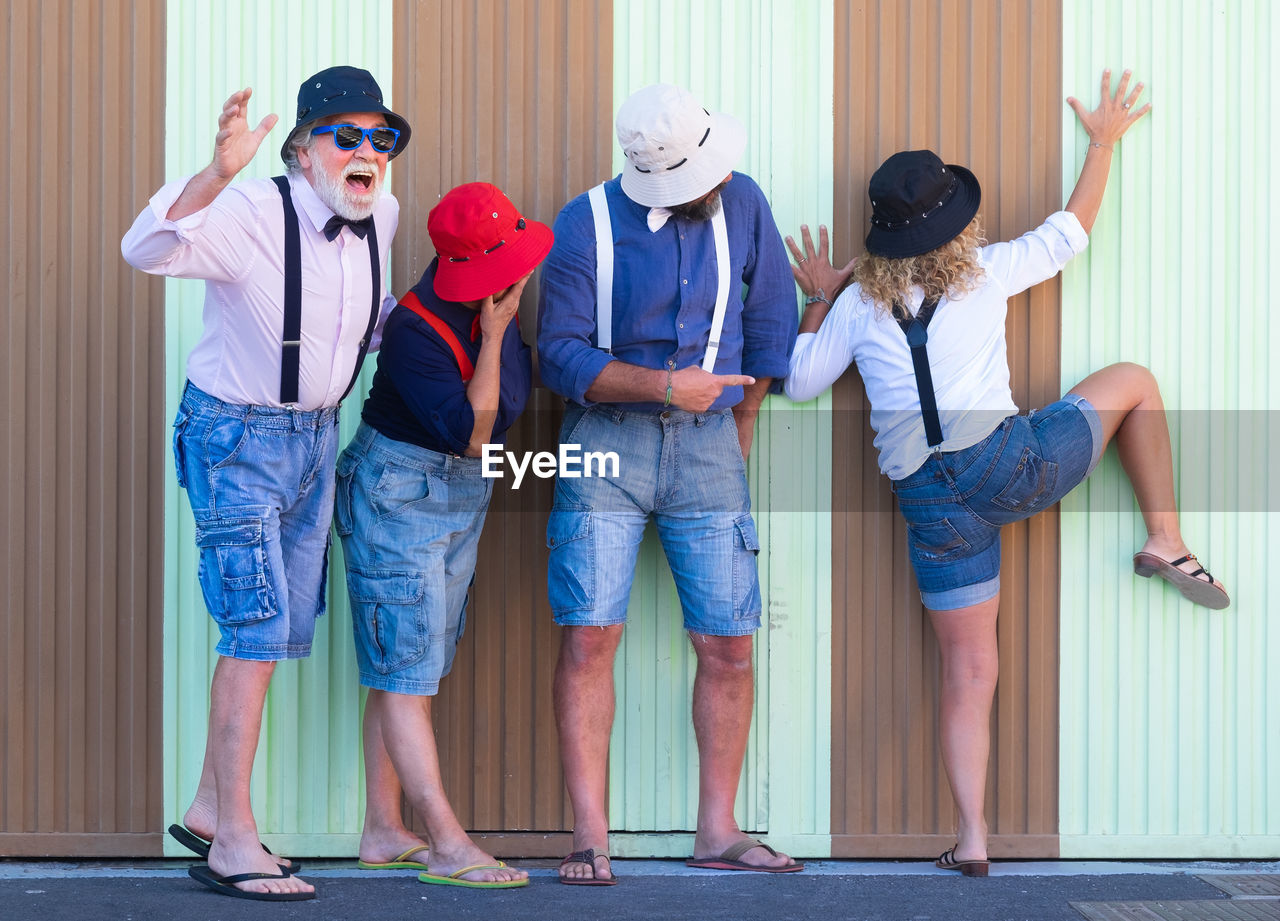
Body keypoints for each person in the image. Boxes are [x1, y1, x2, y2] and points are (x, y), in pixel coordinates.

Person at [784, 69, 1229, 877]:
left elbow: (800, 381)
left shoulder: (855, 308)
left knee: (969, 670)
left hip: (928, 506)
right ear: (952, 225)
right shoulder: (985, 271)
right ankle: (1164, 538)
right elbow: (1070, 231)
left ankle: (975, 836)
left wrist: (822, 294)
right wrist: (1100, 144)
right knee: (1133, 379)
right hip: (1011, 467)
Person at [121, 65, 411, 901]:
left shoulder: (378, 215)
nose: (367, 153)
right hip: (237, 438)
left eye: (380, 138)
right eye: (346, 135)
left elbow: (351, 316)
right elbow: (142, 249)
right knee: (252, 629)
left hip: (320, 437)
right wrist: (218, 173)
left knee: (280, 627)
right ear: (304, 146)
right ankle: (235, 841)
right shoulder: (248, 212)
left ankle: (213, 806)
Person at [537, 83, 802, 884]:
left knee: (728, 642)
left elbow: (773, 315)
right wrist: (661, 388)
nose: (721, 183)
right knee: (590, 635)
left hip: (710, 446)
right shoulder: (583, 222)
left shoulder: (745, 200)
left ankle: (716, 831)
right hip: (604, 446)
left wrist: (741, 416)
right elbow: (559, 354)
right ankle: (591, 835)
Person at [334, 182, 552, 889]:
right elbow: (472, 432)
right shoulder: (416, 331)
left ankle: (381, 829)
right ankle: (448, 841)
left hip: (458, 493)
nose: (524, 273)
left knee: (409, 668)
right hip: (402, 489)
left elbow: (503, 417)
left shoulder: (496, 307)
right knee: (405, 672)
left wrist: (497, 334)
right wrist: (492, 340)